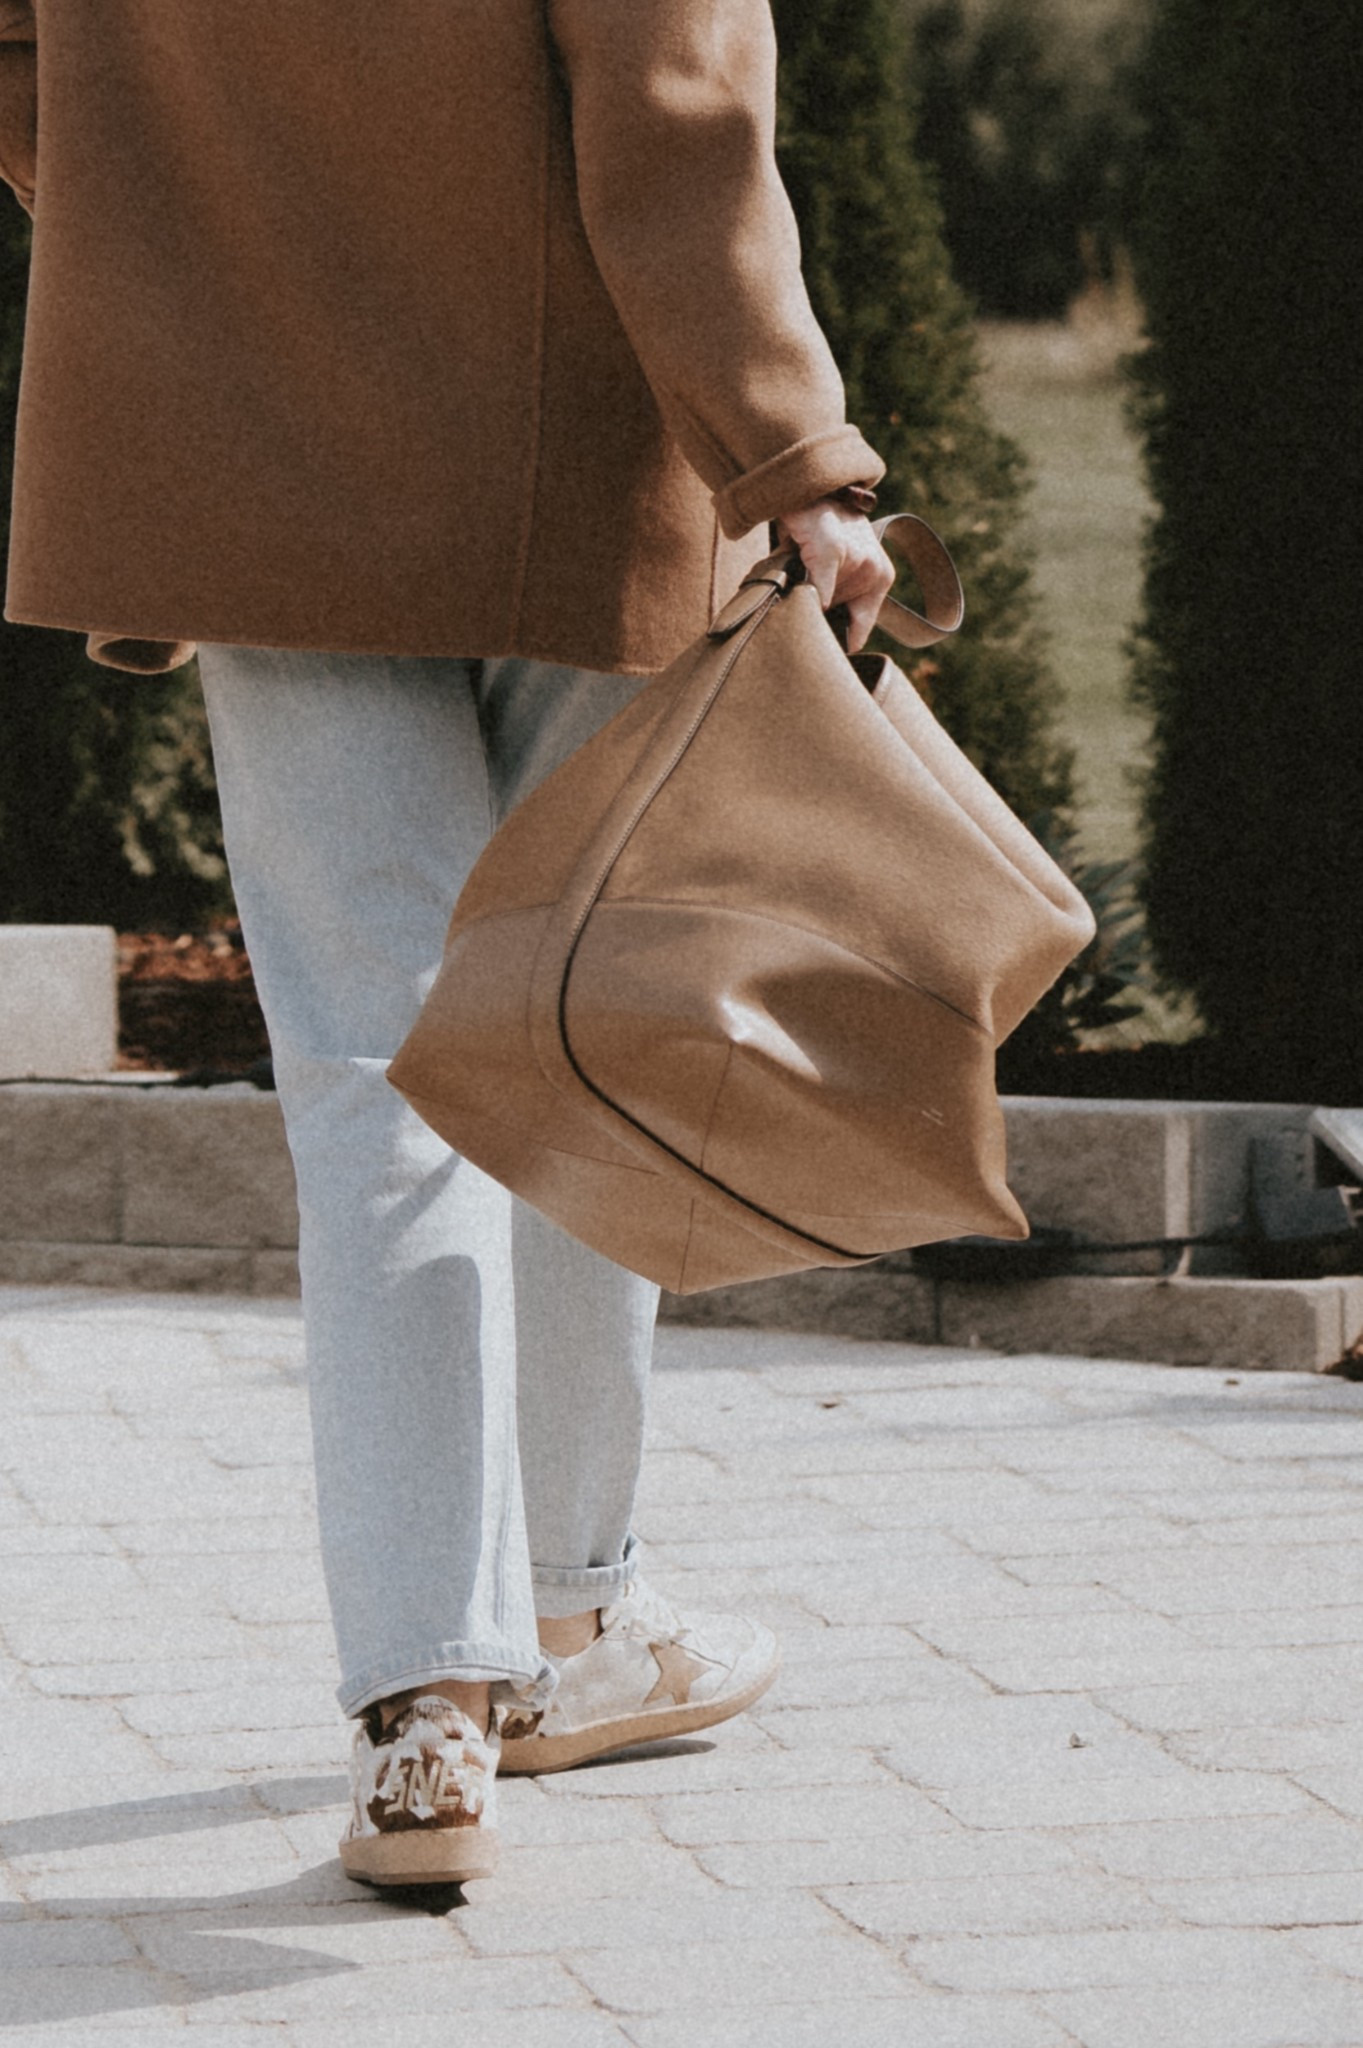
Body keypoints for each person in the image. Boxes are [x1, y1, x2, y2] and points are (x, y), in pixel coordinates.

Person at [0, 0, 895, 1887]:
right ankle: (568, 1625)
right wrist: (792, 442)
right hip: (575, 448)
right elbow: (674, 87)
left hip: (244, 441)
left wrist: (175, 236)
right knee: (578, 1029)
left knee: (370, 1064)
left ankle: (428, 1709)